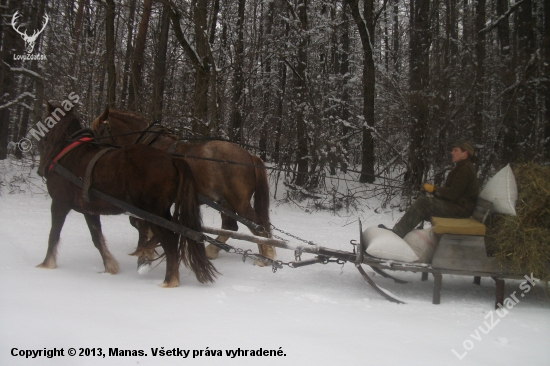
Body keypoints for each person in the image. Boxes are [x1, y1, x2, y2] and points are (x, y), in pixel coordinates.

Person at [382, 141, 480, 238]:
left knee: (423, 203)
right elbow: (453, 193)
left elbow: (453, 193)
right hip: (458, 207)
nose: (452, 153)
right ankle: (402, 233)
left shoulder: (465, 169)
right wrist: (433, 190)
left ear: (465, 154)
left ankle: (398, 234)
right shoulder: (463, 167)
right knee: (423, 203)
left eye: (455, 150)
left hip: (460, 210)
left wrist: (434, 189)